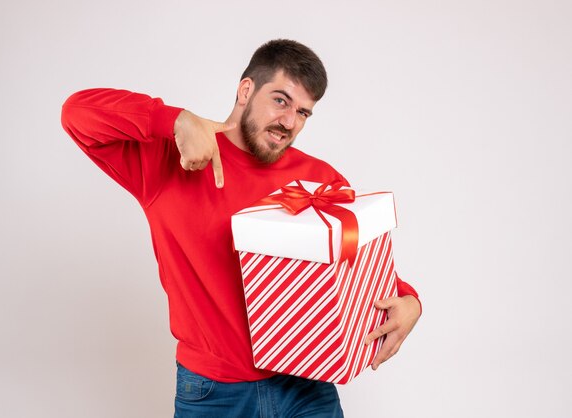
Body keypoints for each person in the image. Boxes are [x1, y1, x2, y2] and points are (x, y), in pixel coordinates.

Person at [61, 39, 421, 418]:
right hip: (214, 394)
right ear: (245, 90)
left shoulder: (320, 180)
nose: (289, 122)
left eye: (303, 113)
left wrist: (410, 300)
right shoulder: (170, 160)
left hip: (307, 387)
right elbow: (76, 113)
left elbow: (355, 271)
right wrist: (176, 120)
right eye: (280, 100)